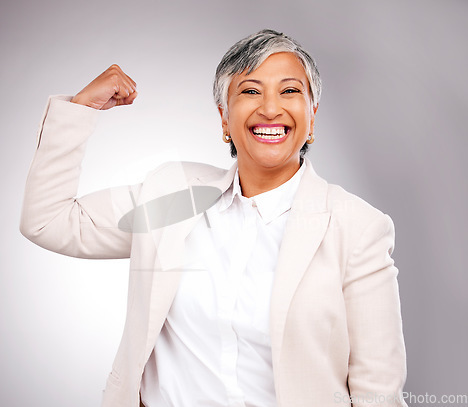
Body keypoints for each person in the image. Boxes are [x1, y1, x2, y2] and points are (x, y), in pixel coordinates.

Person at [20, 29, 408, 407]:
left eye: (289, 91)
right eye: (250, 91)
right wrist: (81, 109)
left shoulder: (357, 228)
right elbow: (48, 220)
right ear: (224, 118)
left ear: (312, 114)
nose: (270, 108)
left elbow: (378, 394)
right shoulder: (173, 194)